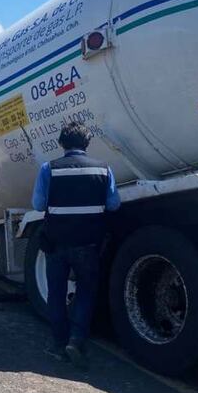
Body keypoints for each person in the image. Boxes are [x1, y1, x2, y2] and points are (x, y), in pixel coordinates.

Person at [32, 122, 120, 369]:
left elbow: (39, 204)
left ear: (61, 143)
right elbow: (113, 204)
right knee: (85, 292)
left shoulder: (49, 169)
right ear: (87, 144)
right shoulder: (104, 170)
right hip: (88, 242)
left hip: (56, 243)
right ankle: (77, 340)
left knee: (56, 294)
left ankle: (58, 345)